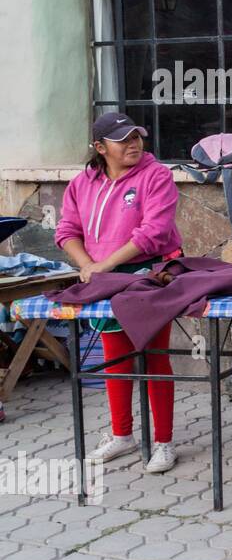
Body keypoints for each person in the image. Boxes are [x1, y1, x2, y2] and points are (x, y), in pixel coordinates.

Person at [55, 113, 184, 473]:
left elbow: (154, 231)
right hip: (103, 277)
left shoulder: (156, 175)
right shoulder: (83, 182)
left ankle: (163, 442)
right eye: (122, 139)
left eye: (136, 137)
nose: (133, 144)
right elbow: (67, 229)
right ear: (100, 147)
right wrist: (87, 265)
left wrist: (106, 264)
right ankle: (122, 434)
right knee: (115, 356)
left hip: (150, 274)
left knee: (154, 357)